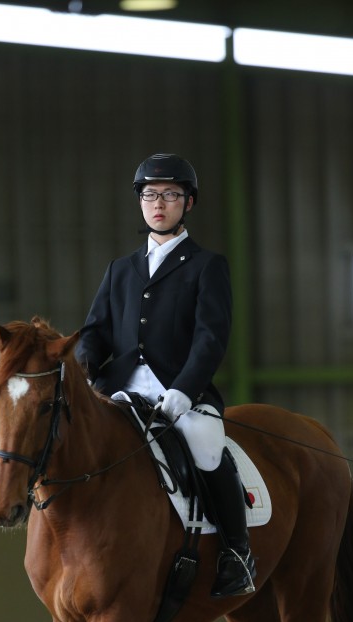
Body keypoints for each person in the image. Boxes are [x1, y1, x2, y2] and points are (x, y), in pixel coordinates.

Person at [75, 153, 256, 598]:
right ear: (140, 202)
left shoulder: (207, 266)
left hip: (182, 392)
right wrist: (83, 370)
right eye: (150, 194)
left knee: (207, 446)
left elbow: (211, 338)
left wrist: (183, 390)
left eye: (171, 194)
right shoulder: (120, 270)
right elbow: (95, 332)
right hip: (119, 392)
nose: (159, 203)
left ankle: (237, 552)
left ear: (188, 203)